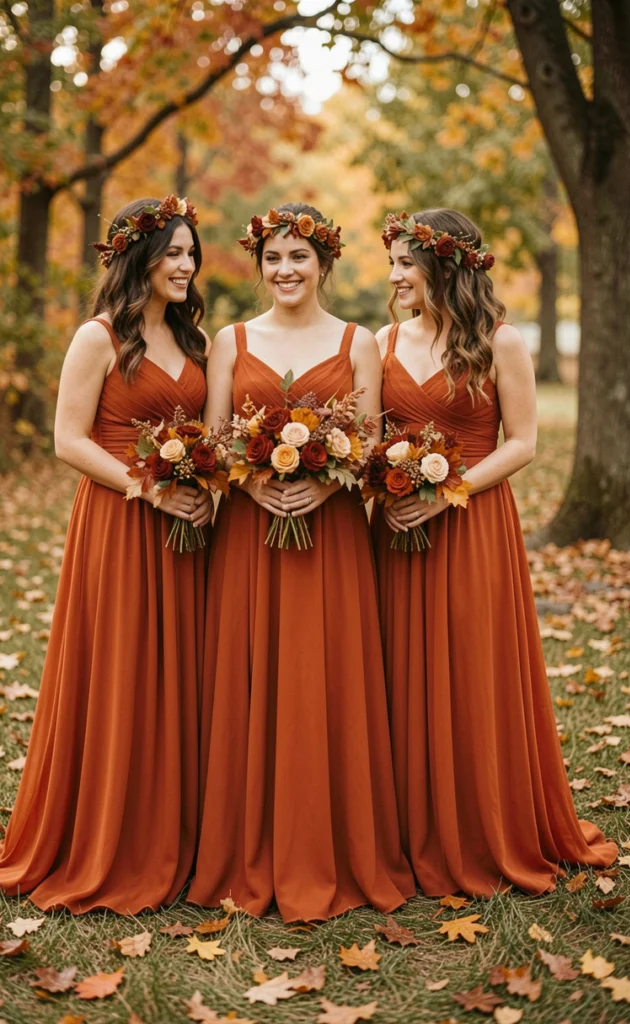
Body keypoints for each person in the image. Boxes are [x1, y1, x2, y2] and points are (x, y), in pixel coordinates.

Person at [0, 195, 212, 913]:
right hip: (120, 521)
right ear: (138, 256)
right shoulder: (98, 337)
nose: (185, 265)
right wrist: (149, 489)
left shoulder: (193, 341)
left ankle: (178, 832)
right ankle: (108, 833)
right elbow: (68, 440)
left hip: (187, 528)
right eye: (172, 252)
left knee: (180, 673)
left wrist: (203, 492)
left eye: (190, 253)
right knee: (121, 667)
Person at [372, 207, 617, 897]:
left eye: (403, 265)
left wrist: (446, 489)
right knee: (397, 667)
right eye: (390, 263)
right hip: (395, 530)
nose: (392, 277)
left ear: (441, 267)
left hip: (472, 525)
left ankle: (478, 824)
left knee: (469, 667)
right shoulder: (382, 339)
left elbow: (522, 443)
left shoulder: (498, 342)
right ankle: (405, 828)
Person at [188, 203, 415, 921]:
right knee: (249, 679)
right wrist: (256, 479)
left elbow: (373, 444)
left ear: (323, 265)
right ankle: (242, 846)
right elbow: (215, 438)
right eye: (273, 259)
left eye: (298, 258)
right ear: (259, 266)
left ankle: (333, 846)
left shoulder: (356, 343)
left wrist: (324, 479)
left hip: (334, 540)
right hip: (249, 541)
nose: (284, 271)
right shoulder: (229, 339)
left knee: (327, 681)